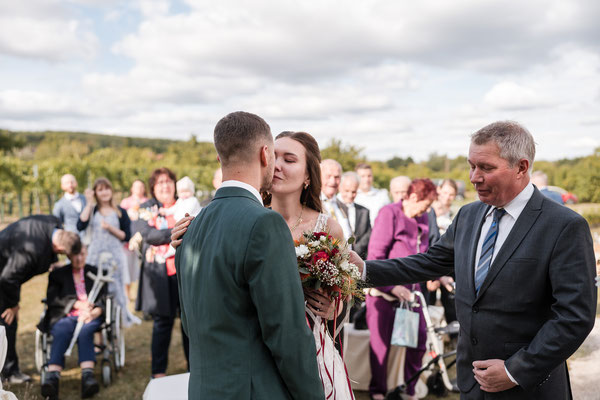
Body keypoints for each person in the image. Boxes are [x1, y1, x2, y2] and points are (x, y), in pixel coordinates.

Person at [361, 121, 597, 399]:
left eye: (486, 168)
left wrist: (515, 370)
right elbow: (426, 263)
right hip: (471, 383)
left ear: (521, 167)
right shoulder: (468, 216)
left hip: (528, 388)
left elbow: (574, 316)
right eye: (471, 166)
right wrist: (362, 269)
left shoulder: (563, 226)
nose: (474, 177)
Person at [175, 113, 326, 399]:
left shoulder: (190, 227)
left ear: (221, 160)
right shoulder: (264, 224)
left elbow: (189, 322)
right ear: (264, 154)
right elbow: (287, 335)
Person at [366, 178, 437, 400]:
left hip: (412, 296)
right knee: (381, 346)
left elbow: (425, 254)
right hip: (384, 294)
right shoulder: (389, 213)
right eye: (425, 205)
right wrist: (393, 287)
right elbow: (374, 258)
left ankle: (410, 391)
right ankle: (378, 391)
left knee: (419, 342)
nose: (426, 211)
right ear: (414, 197)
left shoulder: (423, 217)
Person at [0, 215, 81, 383]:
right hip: (3, 276)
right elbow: (8, 278)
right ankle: (9, 372)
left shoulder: (54, 221)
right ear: (58, 246)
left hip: (8, 267)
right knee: (7, 322)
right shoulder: (31, 250)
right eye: (61, 253)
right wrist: (13, 305)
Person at [133, 168, 189, 378]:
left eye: (168, 181)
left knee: (189, 321)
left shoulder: (186, 203)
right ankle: (158, 373)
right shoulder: (147, 208)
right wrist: (178, 230)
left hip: (185, 273)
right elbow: (148, 234)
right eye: (160, 183)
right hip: (159, 274)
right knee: (162, 324)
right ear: (153, 188)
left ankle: (194, 368)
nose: (165, 186)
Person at [39, 246, 105, 399]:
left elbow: (103, 299)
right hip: (65, 315)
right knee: (61, 330)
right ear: (68, 255)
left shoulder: (95, 272)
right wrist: (76, 304)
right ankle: (52, 377)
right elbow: (53, 298)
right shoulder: (57, 274)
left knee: (85, 331)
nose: (79, 258)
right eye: (75, 255)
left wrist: (95, 312)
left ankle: (87, 376)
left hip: (90, 316)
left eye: (82, 254)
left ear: (87, 253)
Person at [77, 177, 140, 327]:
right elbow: (80, 225)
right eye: (100, 189)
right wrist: (88, 203)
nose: (104, 192)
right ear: (96, 193)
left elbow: (126, 236)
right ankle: (97, 324)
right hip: (95, 256)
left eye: (106, 188)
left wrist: (110, 228)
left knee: (116, 289)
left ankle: (117, 322)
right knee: (96, 290)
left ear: (111, 190)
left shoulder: (120, 212)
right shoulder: (92, 211)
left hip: (115, 256)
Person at [119, 179, 148, 300]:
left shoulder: (147, 202)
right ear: (132, 188)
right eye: (136, 187)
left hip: (145, 239)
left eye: (141, 186)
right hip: (129, 240)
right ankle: (127, 293)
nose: (139, 189)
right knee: (128, 267)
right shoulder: (125, 202)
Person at [163, 176, 201, 259]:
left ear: (191, 191)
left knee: (182, 238)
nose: (184, 194)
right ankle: (171, 250)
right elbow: (173, 209)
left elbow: (188, 211)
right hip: (180, 222)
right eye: (181, 192)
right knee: (175, 236)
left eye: (186, 191)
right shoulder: (179, 201)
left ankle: (175, 251)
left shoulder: (193, 200)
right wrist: (166, 211)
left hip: (188, 223)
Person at [338, 171, 372, 259]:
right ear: (339, 187)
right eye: (346, 191)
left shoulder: (364, 211)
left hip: (359, 258)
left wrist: (353, 252)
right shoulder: (333, 208)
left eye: (353, 192)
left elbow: (367, 235)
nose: (350, 195)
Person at [320, 159, 353, 242]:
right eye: (328, 176)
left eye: (337, 177)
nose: (333, 181)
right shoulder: (312, 204)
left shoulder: (343, 205)